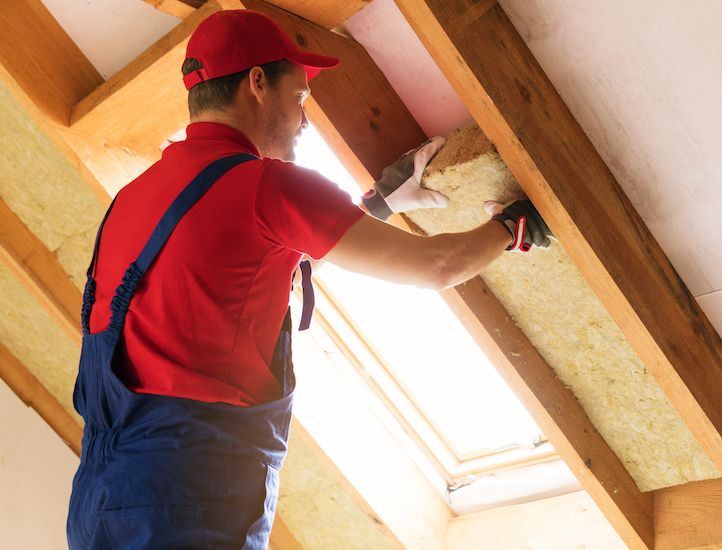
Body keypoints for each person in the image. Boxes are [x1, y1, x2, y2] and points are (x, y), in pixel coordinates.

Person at [66, 9, 551, 549]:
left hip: (99, 502)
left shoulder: (135, 196)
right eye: (298, 99)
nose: (302, 121)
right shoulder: (266, 185)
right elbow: (434, 267)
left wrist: (382, 203)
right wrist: (511, 226)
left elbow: (255, 271)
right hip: (189, 500)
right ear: (256, 83)